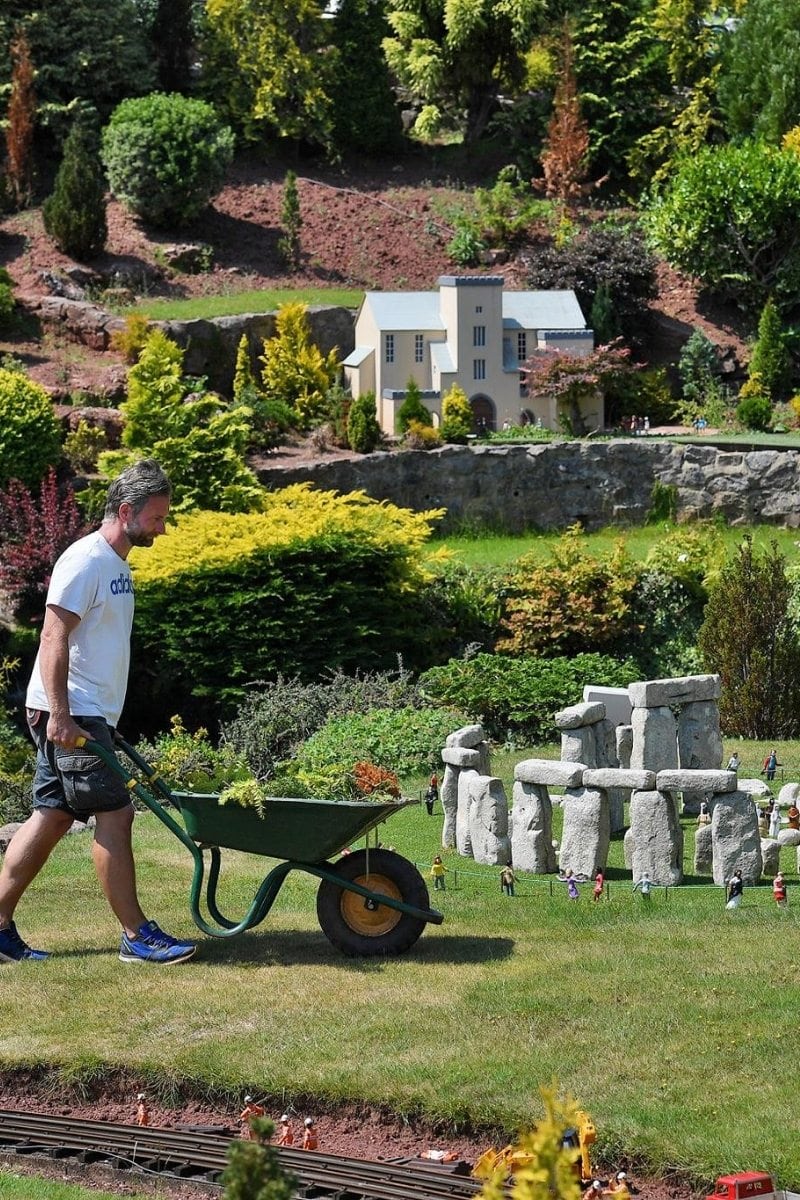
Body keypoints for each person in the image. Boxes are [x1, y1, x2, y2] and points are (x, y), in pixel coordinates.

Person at [0, 460, 196, 966]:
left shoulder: (116, 564)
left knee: (52, 816)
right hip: (71, 712)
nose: (163, 527)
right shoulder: (85, 560)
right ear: (126, 510)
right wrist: (64, 716)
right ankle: (137, 935)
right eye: (157, 517)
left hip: (86, 712)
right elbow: (53, 636)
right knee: (117, 813)